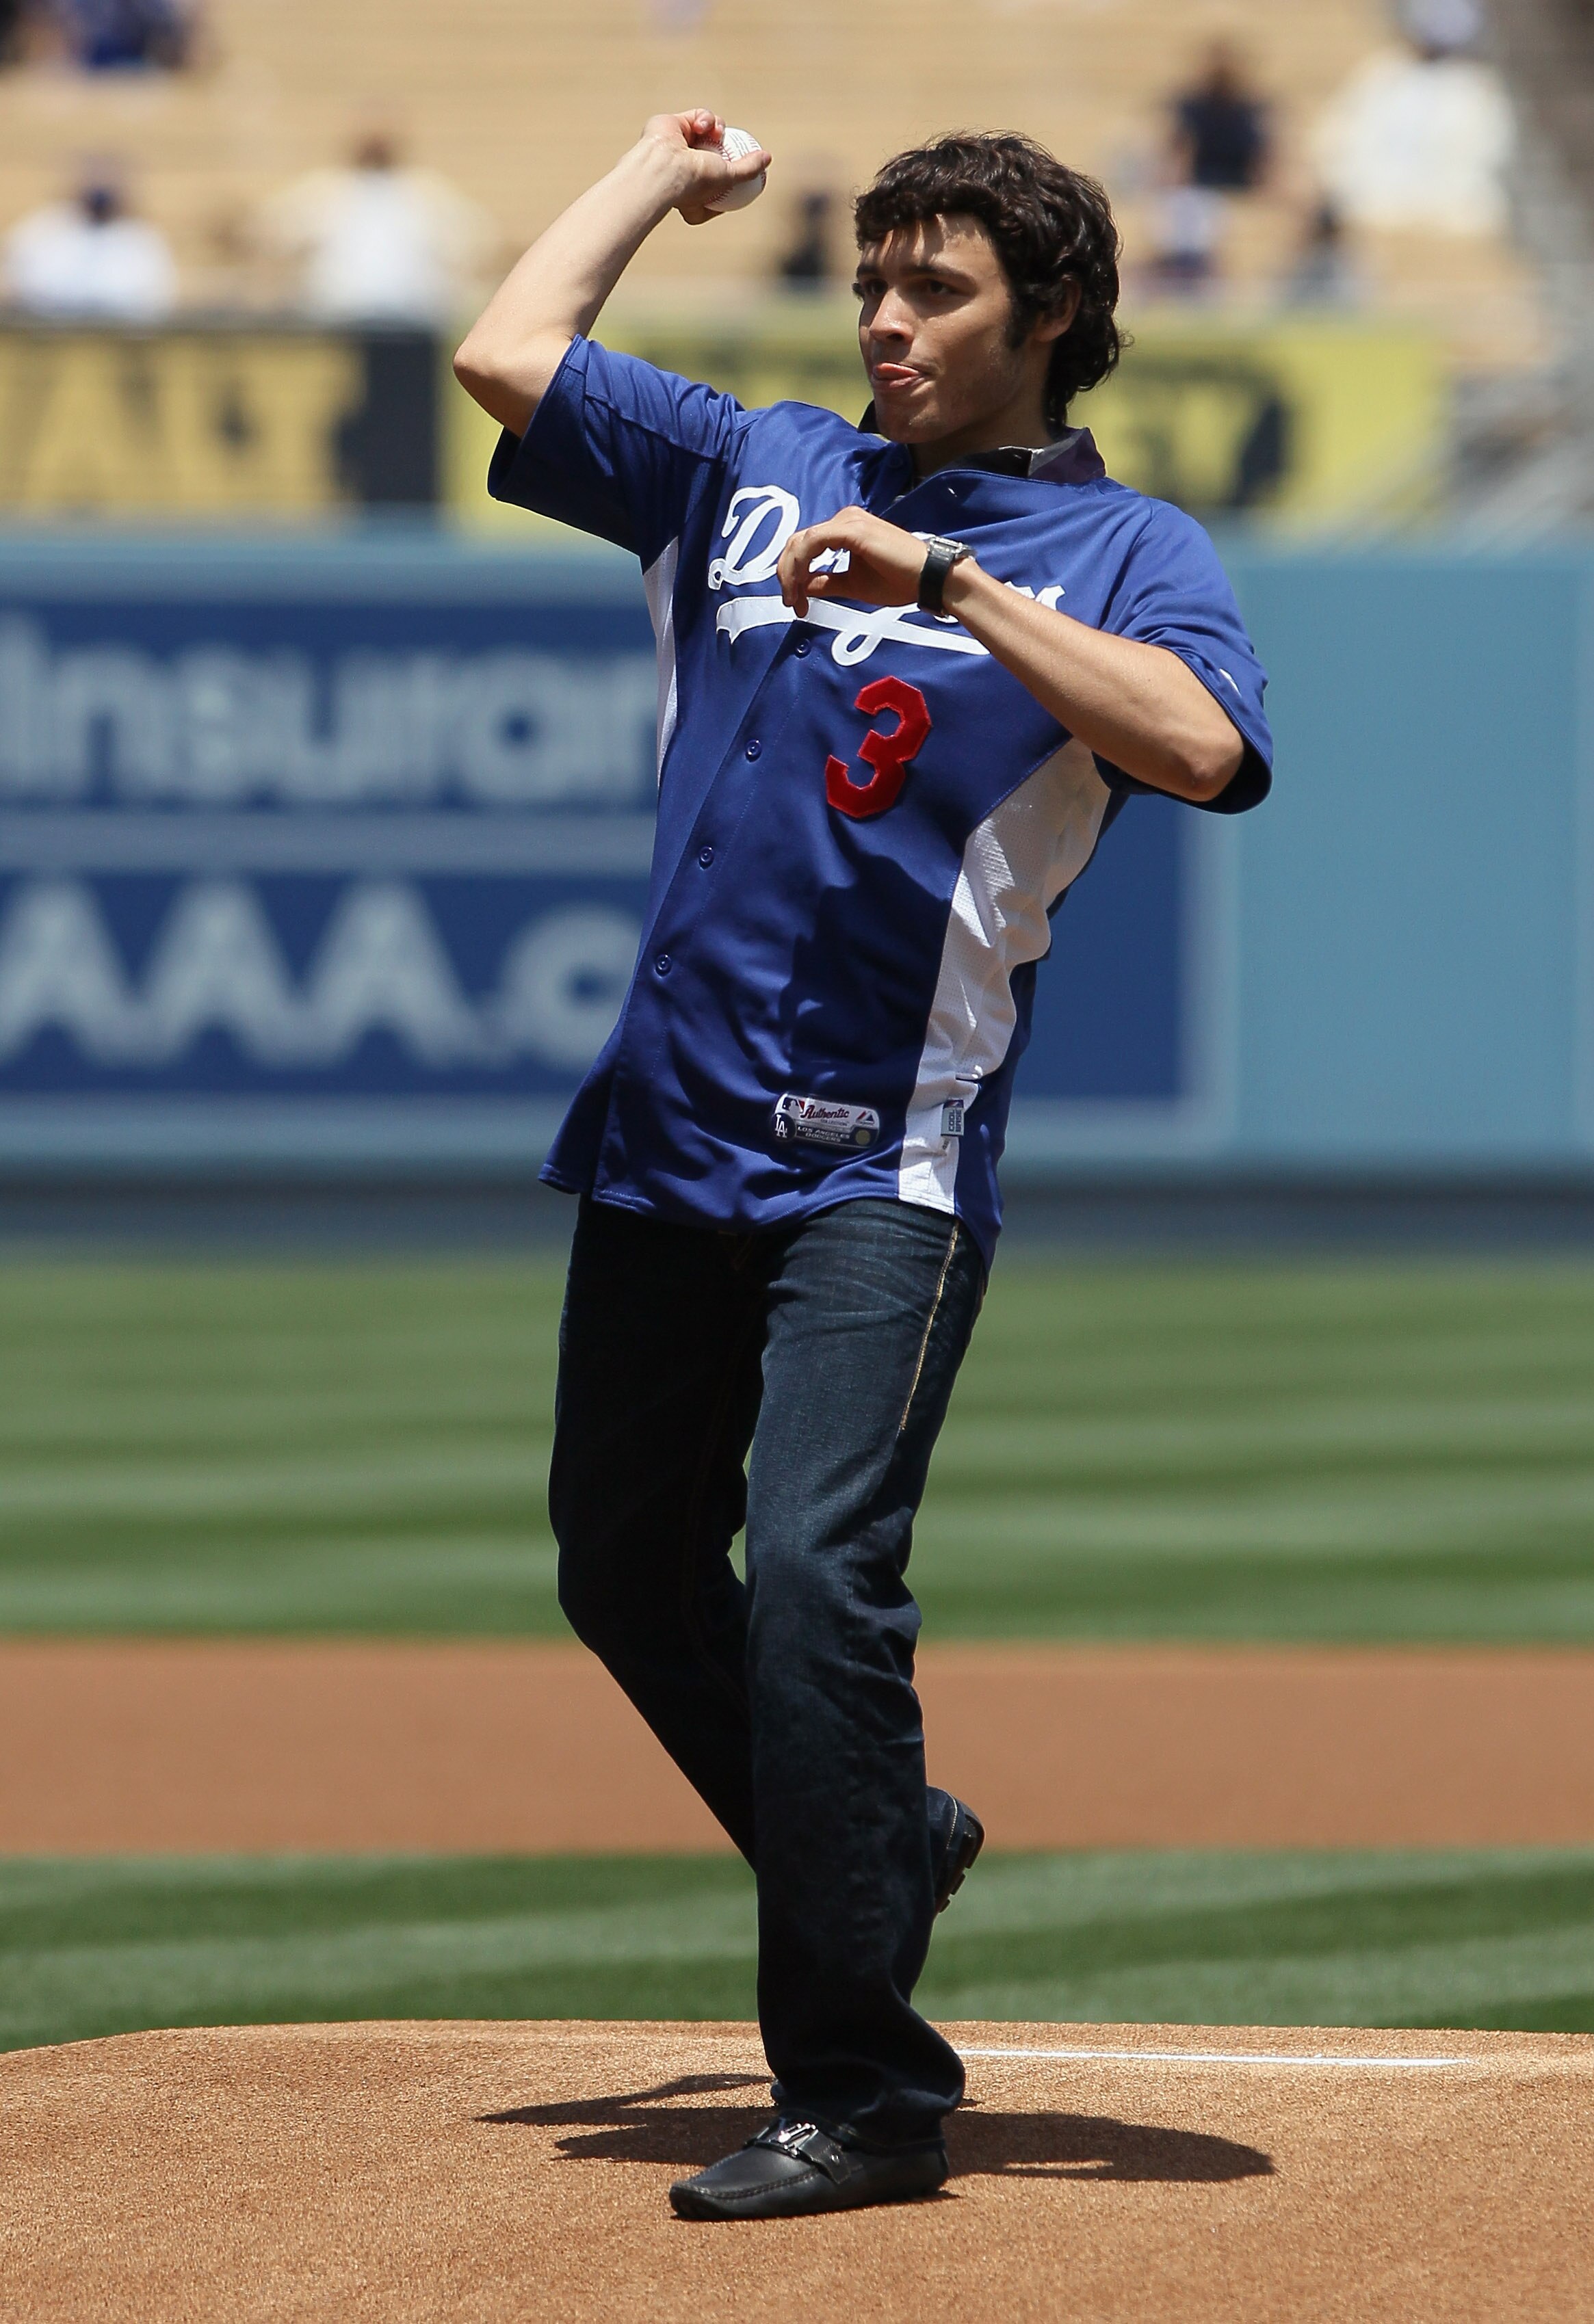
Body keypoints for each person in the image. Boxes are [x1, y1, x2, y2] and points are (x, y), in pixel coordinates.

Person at [455, 113, 1271, 2222]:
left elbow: (1197, 750)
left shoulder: (1123, 556)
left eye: (935, 291)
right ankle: (882, 1846)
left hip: (875, 1162)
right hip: (659, 1130)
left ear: (1052, 316)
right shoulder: (759, 462)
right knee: (621, 1565)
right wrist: (644, 172)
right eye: (866, 283)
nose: (885, 322)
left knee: (817, 1572)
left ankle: (865, 2087)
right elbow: (504, 353)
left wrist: (962, 583)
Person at [1313, 0, 1514, 237]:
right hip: (1374, 189)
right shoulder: (1385, 73)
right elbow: (1342, 131)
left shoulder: (1476, 90)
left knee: (1479, 212)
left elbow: (1486, 150)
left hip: (1444, 199)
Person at [254, 131, 497, 328]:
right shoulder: (326, 189)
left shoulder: (424, 190)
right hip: (339, 315)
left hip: (414, 319)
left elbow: (476, 239)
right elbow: (275, 233)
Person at [3, 170, 177, 319]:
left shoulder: (141, 237)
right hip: (50, 331)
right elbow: (17, 279)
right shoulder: (46, 226)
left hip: (118, 335)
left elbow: (155, 297)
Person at [1171, 38, 1271, 194]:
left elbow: (1260, 158)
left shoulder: (1249, 111)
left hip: (1241, 184)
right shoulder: (1192, 109)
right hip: (1199, 184)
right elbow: (1182, 153)